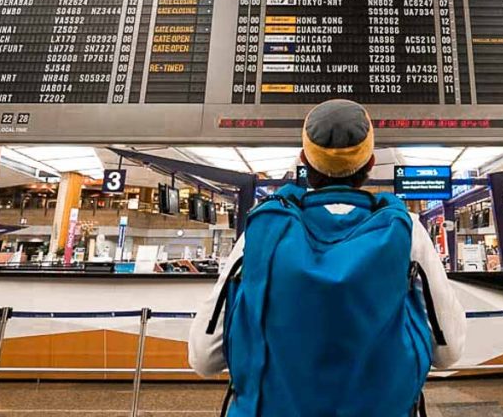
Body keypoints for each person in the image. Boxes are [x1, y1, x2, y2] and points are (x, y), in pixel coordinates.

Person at [189, 99, 466, 416]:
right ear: (371, 162)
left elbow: (204, 358)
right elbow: (449, 351)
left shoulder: (261, 230)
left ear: (304, 159)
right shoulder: (407, 231)